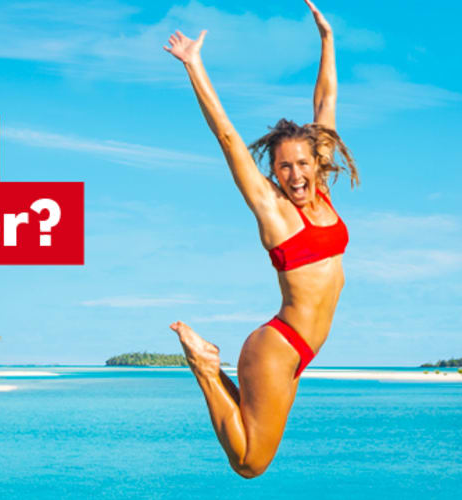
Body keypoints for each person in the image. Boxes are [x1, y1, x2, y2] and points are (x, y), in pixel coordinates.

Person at [162, 0, 358, 479]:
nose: (295, 174)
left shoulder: (323, 194)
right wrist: (194, 65)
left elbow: (325, 103)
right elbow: (228, 137)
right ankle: (205, 366)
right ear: (273, 170)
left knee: (252, 446)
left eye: (303, 163)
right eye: (283, 167)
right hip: (278, 346)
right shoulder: (274, 210)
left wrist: (328, 40)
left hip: (299, 352)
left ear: (316, 162)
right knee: (250, 463)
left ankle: (211, 366)